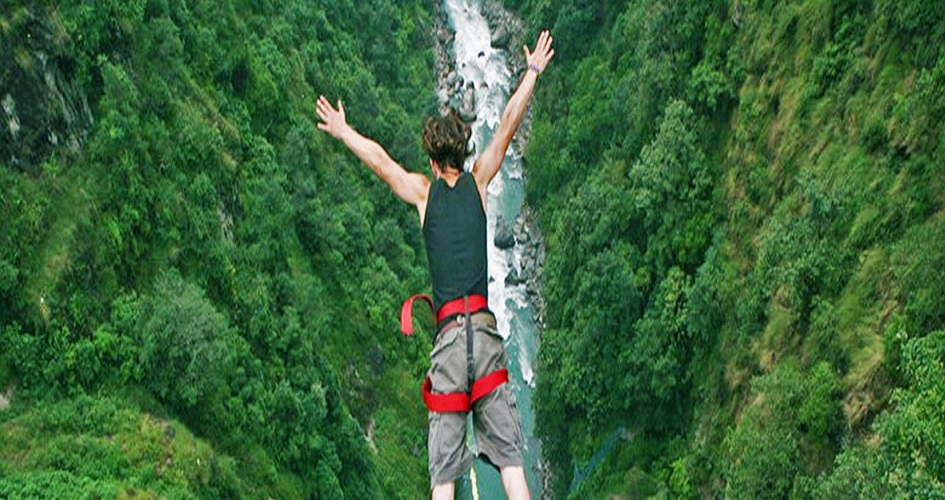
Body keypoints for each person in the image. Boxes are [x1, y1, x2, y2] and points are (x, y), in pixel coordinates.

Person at [316, 30, 554, 500]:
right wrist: (530, 73)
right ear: (463, 154)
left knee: (443, 474)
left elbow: (382, 164)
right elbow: (506, 125)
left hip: (448, 344)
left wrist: (344, 132)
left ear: (430, 158)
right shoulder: (480, 181)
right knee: (509, 462)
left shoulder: (424, 195)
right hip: (485, 338)